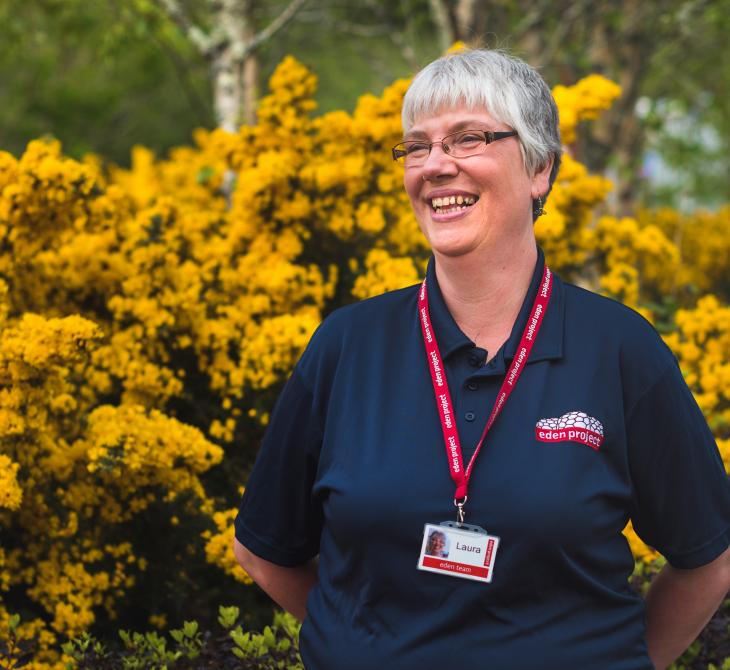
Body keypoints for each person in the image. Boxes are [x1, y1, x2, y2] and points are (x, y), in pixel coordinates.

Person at [233, 48, 730, 670]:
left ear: (540, 169)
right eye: (418, 147)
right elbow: (263, 548)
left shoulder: (621, 349)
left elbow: (710, 556)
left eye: (468, 138)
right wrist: (357, 644)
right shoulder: (346, 346)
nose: (436, 165)